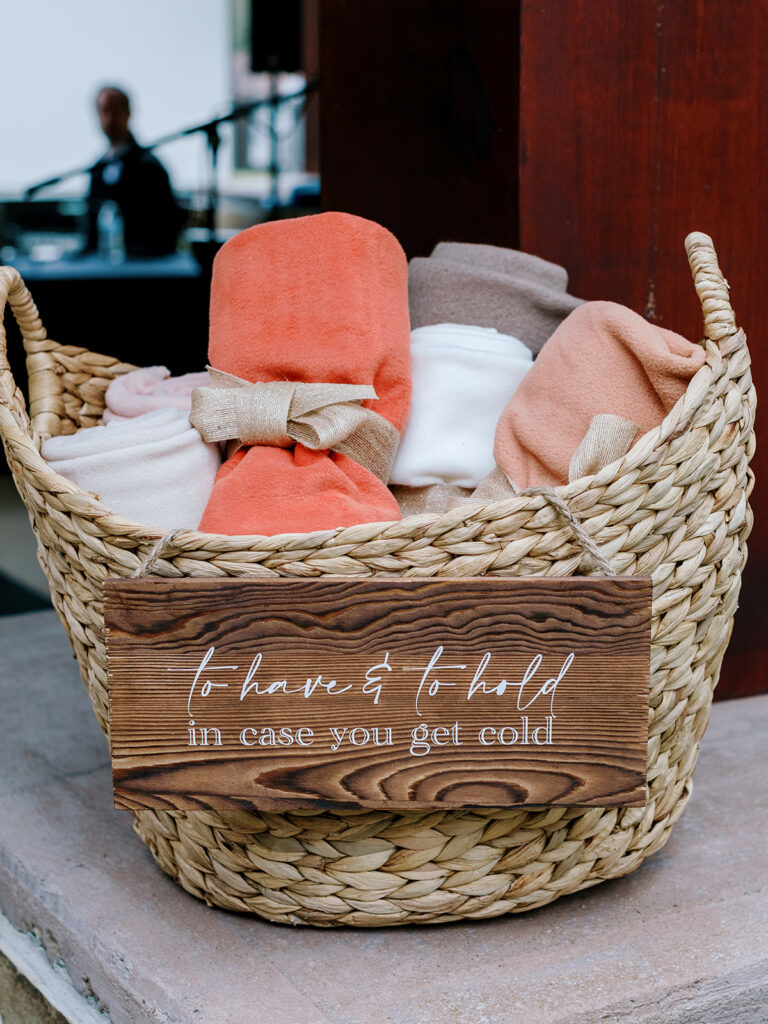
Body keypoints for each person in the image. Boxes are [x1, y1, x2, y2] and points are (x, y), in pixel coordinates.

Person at [85, 86, 185, 257]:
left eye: (115, 111)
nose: (110, 119)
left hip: (145, 267)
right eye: (104, 112)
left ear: (128, 113)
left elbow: (168, 225)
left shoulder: (150, 167)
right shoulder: (98, 168)